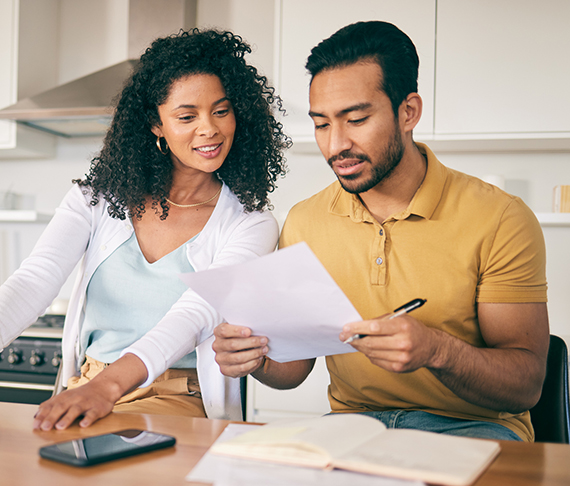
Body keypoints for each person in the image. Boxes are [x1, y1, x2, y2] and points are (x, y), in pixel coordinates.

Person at [212, 21, 550, 442]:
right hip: (352, 428)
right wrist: (253, 357)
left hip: (475, 429)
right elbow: (294, 370)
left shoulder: (500, 218)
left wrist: (437, 351)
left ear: (408, 112)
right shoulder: (305, 221)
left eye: (355, 119)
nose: (335, 145)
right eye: (321, 124)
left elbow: (526, 385)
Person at [0, 28, 290, 431]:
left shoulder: (251, 223)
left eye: (221, 111)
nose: (210, 129)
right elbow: (34, 280)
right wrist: (97, 386)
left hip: (177, 399)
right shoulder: (95, 200)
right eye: (187, 116)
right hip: (88, 384)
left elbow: (194, 315)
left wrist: (109, 386)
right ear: (157, 124)